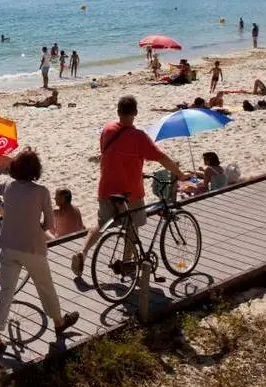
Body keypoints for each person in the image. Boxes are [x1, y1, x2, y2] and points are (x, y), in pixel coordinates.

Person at [71, 96, 187, 277]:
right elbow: (161, 158)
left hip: (107, 188)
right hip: (131, 191)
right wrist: (180, 174)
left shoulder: (107, 130)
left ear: (118, 112)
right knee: (132, 227)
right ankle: (127, 263)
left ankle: (83, 252)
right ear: (135, 113)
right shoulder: (139, 137)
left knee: (101, 223)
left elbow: (108, 154)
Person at [0, 150, 79, 350]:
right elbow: (49, 224)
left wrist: (2, 207)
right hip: (32, 247)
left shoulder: (7, 186)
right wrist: (34, 228)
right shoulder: (41, 191)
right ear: (35, 171)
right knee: (45, 286)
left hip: (7, 245)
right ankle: (59, 322)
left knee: (5, 292)